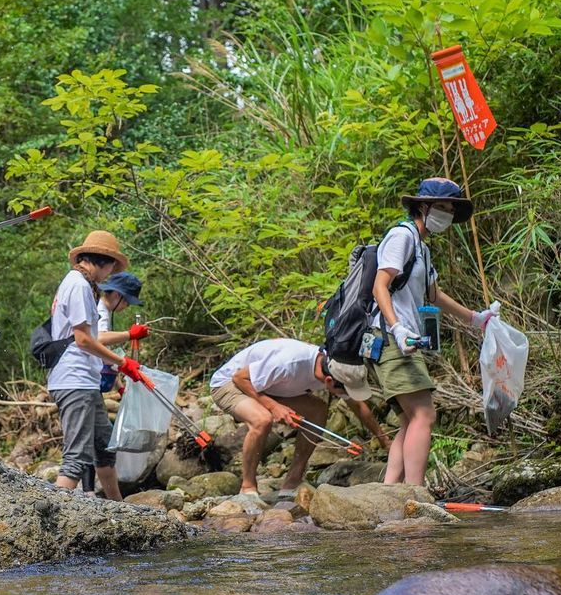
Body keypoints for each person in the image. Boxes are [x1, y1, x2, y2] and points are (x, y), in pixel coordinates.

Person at [367, 177, 497, 486]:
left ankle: (391, 492)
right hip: (390, 339)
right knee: (425, 415)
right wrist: (397, 328)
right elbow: (379, 286)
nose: (448, 215)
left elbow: (435, 296)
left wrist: (476, 319)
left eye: (451, 210)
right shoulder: (402, 237)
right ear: (423, 207)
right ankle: (415, 493)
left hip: (402, 340)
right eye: (443, 208)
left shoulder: (422, 249)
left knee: (410, 420)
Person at [47, 232, 147, 500]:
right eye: (111, 268)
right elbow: (83, 339)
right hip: (73, 379)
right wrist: (122, 362)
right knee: (77, 456)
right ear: (103, 263)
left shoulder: (78, 284)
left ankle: (119, 507)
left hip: (85, 381)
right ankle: (52, 518)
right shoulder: (78, 286)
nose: (108, 276)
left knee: (104, 447)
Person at [209, 338, 373, 496]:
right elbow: (239, 378)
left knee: (317, 410)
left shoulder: (336, 368)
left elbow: (357, 405)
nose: (346, 395)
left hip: (269, 386)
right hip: (230, 383)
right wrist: (274, 407)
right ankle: (248, 487)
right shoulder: (288, 363)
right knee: (262, 419)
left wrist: (383, 440)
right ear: (329, 382)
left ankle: (292, 481)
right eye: (345, 391)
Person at [82, 271, 147, 496]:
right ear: (118, 295)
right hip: (83, 381)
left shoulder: (105, 311)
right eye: (127, 301)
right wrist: (129, 334)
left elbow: (104, 354)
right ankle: (88, 491)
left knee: (95, 436)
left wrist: (119, 384)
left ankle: (95, 493)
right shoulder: (99, 309)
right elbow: (97, 339)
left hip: (95, 382)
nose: (127, 306)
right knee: (93, 437)